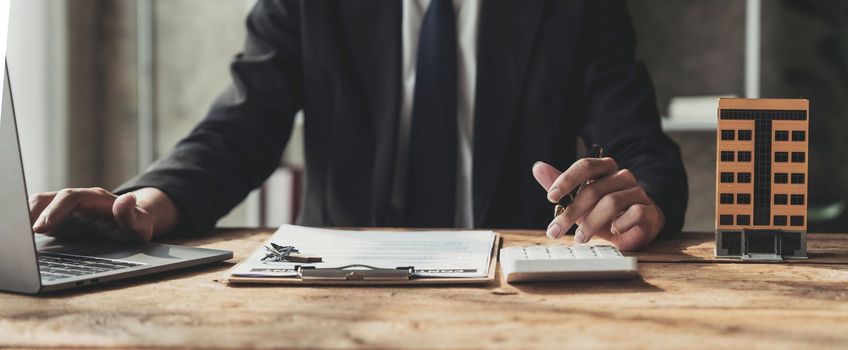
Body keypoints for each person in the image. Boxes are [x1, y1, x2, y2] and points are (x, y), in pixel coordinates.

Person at [27, 0, 687, 250]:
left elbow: (639, 149)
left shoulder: (577, 9)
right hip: (340, 284)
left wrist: (642, 202)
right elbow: (238, 130)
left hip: (514, 293)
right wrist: (143, 203)